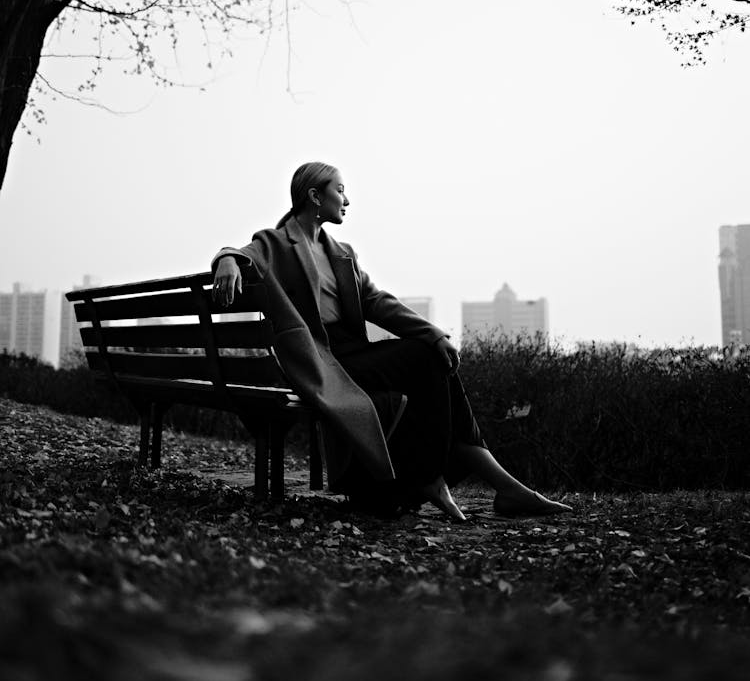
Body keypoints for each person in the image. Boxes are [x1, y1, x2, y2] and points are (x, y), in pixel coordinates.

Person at [212, 161, 572, 522]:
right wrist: (227, 260)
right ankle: (448, 480)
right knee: (425, 360)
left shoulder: (342, 253)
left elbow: (376, 302)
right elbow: (241, 251)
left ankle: (496, 486)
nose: (347, 199)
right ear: (314, 196)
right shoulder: (277, 242)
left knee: (436, 361)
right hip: (321, 361)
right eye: (340, 190)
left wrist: (433, 335)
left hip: (354, 356)